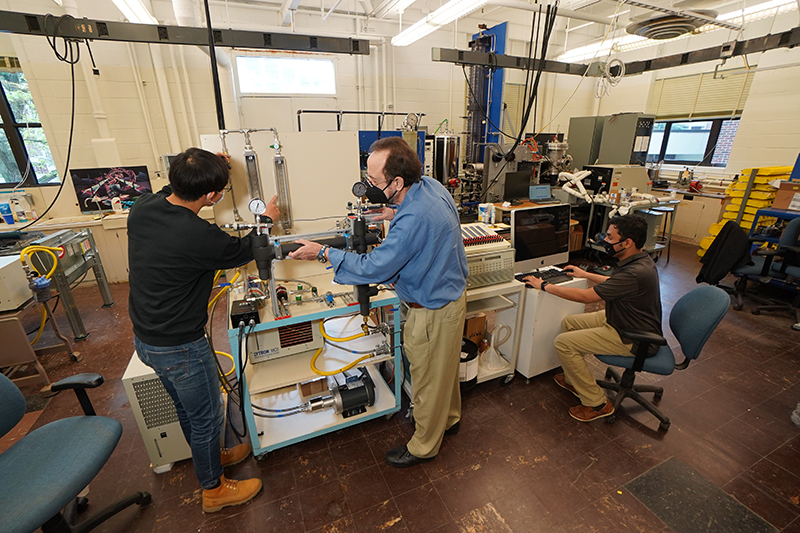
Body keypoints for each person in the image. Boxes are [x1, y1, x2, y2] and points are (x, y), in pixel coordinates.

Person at [288, 137, 468, 468]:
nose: (369, 186)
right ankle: (450, 419)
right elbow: (413, 216)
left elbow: (374, 267)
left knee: (427, 379)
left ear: (397, 182)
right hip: (451, 301)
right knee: (445, 370)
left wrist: (324, 252)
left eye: (374, 182)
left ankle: (424, 445)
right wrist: (391, 210)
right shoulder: (429, 186)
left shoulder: (413, 220)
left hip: (431, 312)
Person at [127, 147, 278, 512]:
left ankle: (211, 455)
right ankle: (213, 490)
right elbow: (245, 250)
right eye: (222, 190)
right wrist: (267, 220)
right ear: (211, 195)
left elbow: (166, 190)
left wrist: (205, 161)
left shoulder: (143, 208)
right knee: (207, 416)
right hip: (181, 346)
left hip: (147, 339)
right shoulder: (197, 235)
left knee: (186, 411)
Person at [523, 214, 662, 422]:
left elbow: (586, 297)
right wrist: (585, 274)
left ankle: (597, 403)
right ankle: (574, 380)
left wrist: (543, 285)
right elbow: (613, 280)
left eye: (610, 237)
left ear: (628, 242)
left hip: (634, 336)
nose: (605, 241)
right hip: (621, 319)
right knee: (570, 322)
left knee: (563, 344)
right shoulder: (639, 260)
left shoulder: (635, 272)